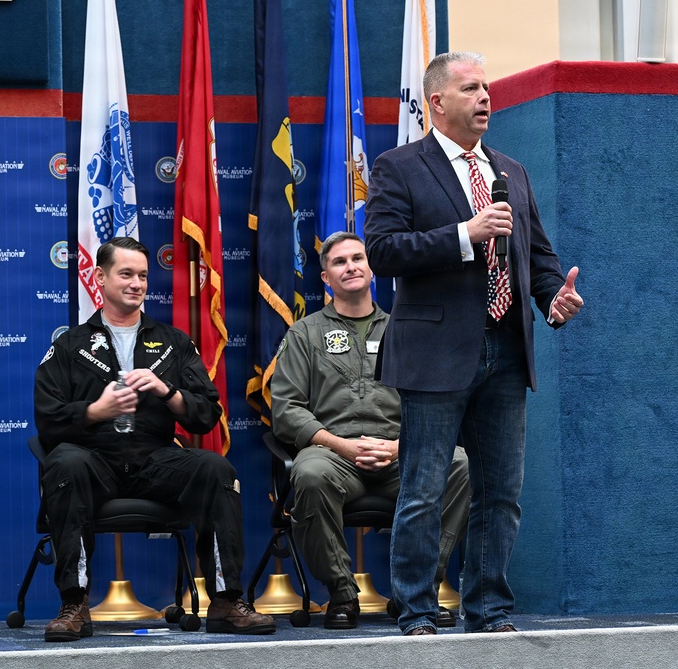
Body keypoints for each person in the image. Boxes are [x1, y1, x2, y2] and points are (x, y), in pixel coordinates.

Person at [363, 52, 584, 636]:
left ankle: (487, 609)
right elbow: (383, 250)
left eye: (487, 87)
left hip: (506, 349)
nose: (486, 97)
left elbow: (535, 254)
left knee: (500, 493)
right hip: (436, 351)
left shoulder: (510, 168)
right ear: (437, 102)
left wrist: (551, 296)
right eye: (471, 89)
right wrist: (464, 235)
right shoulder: (399, 166)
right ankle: (414, 610)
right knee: (424, 490)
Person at [34, 237, 275, 641]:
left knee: (216, 468)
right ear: (100, 278)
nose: (137, 283)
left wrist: (169, 392)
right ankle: (74, 604)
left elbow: (206, 414)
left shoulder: (173, 343)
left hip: (155, 461)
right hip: (95, 460)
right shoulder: (70, 345)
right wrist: (97, 411)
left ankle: (225, 600)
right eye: (126, 274)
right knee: (65, 462)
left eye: (143, 275)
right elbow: (47, 419)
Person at [271, 231, 470, 630]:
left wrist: (400, 447)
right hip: (333, 455)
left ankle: (415, 593)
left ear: (372, 267)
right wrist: (341, 446)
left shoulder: (407, 331)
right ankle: (342, 595)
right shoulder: (305, 335)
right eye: (340, 262)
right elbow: (286, 410)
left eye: (358, 258)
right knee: (308, 473)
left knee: (458, 463)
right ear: (325, 278)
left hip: (401, 454)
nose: (351, 267)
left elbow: (436, 403)